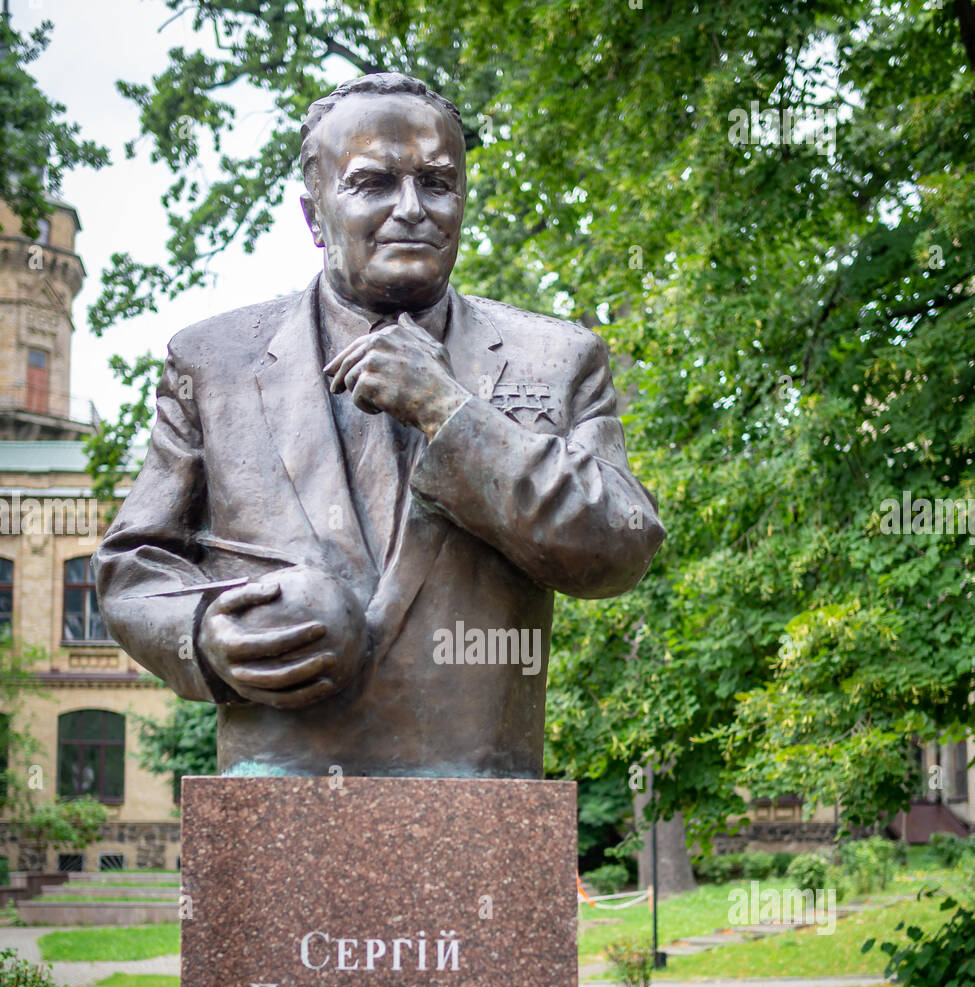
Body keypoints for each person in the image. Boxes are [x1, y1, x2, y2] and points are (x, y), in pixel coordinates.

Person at [93, 72, 665, 777]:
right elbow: (133, 569)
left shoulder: (555, 358)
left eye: (437, 182)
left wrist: (448, 412)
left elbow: (617, 546)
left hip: (478, 784)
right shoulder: (214, 363)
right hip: (279, 777)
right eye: (371, 183)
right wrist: (205, 635)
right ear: (313, 215)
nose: (411, 208)